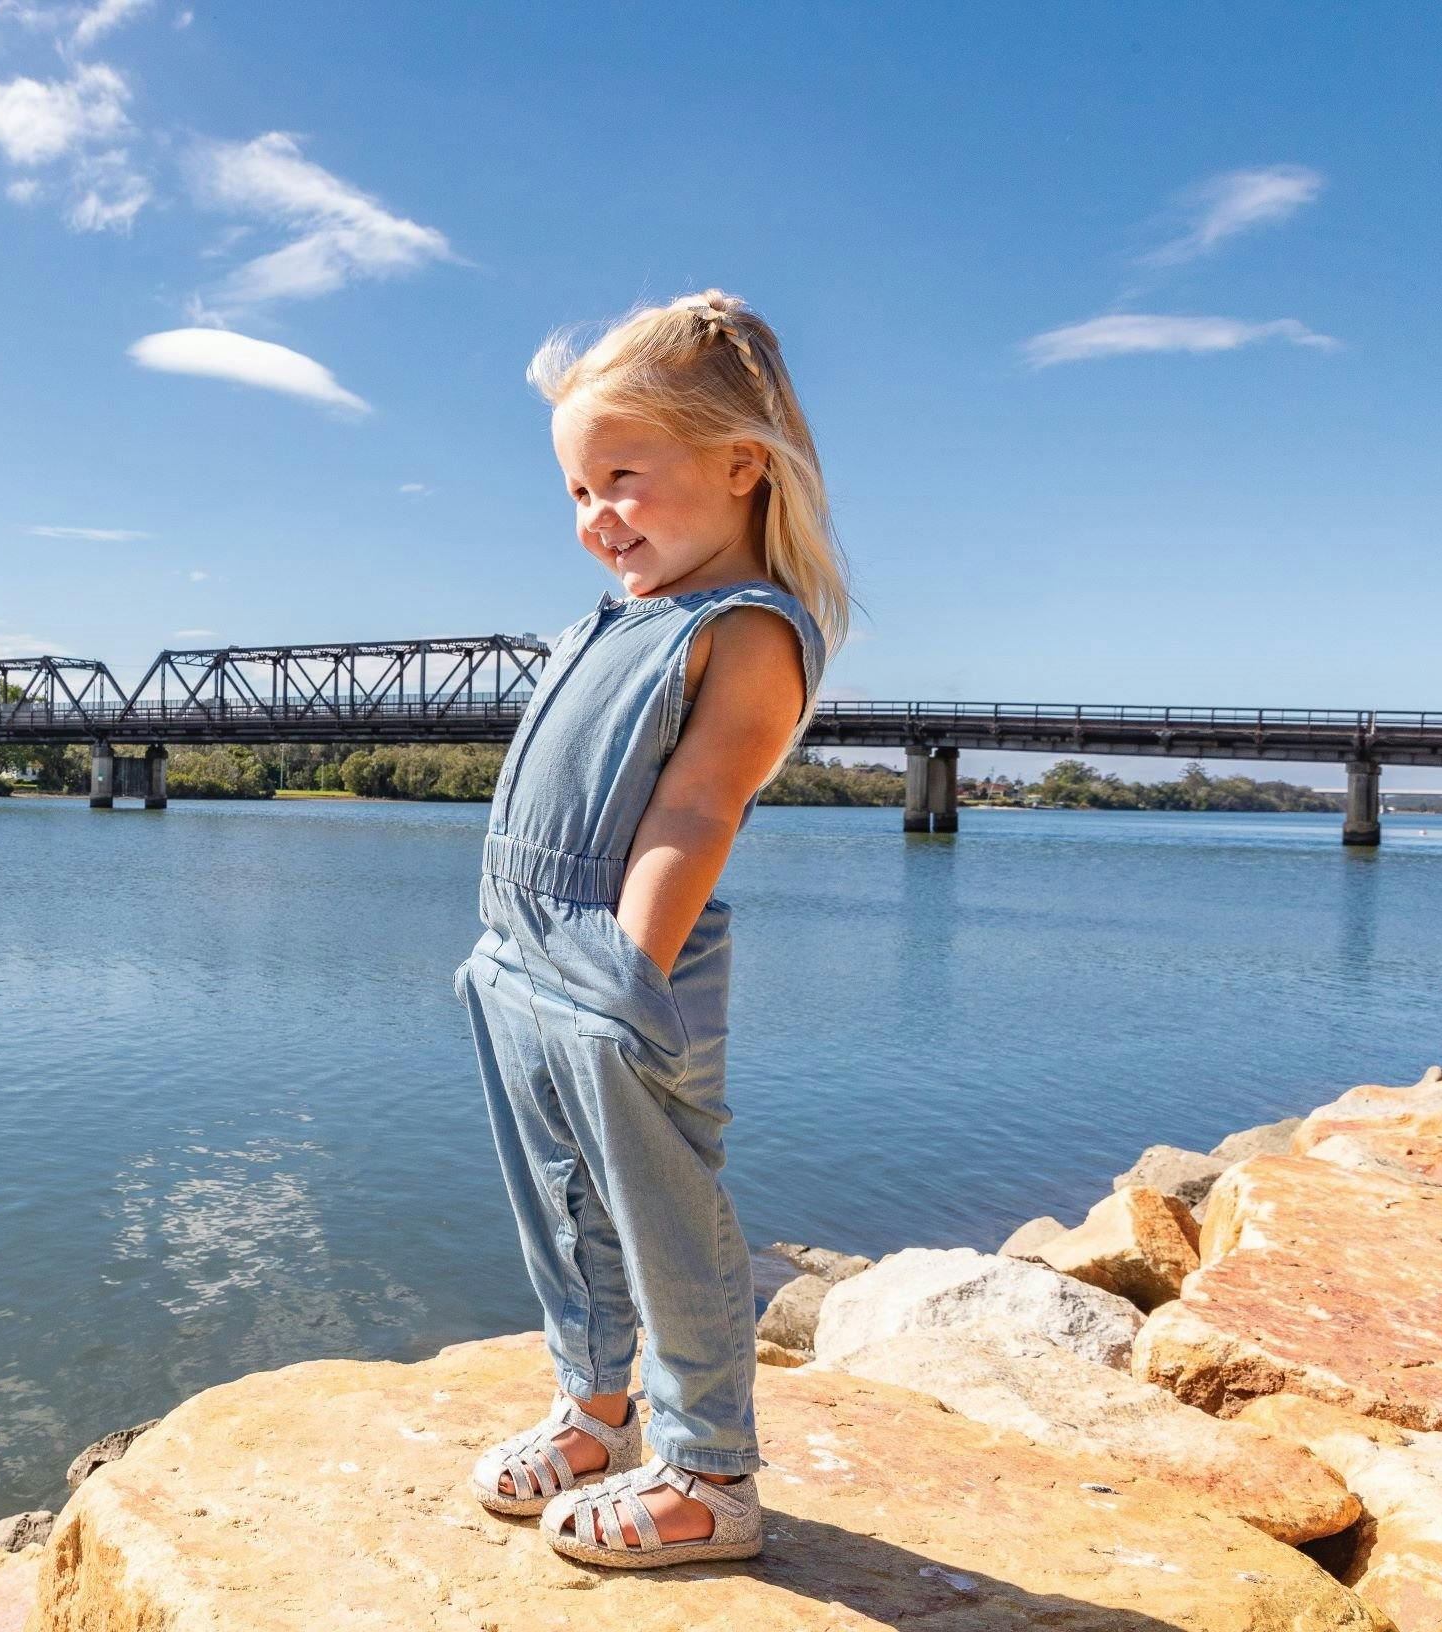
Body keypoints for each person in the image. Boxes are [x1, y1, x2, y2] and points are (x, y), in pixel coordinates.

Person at [452, 289, 850, 1569]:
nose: (593, 519)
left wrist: (631, 970)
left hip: (626, 962)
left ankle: (710, 1473)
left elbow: (697, 805)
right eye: (575, 493)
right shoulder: (619, 618)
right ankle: (594, 1410)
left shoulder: (745, 630)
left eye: (620, 478)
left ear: (742, 465)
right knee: (561, 1207)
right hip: (516, 951)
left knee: (663, 1217)